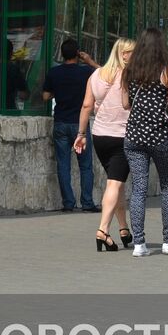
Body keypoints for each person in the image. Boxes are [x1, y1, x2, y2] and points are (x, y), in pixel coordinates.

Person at [122, 28, 168, 256]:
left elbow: (125, 105)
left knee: (138, 189)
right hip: (159, 136)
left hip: (133, 137)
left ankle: (139, 244)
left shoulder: (129, 72)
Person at [74, 38, 136, 252]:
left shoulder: (96, 75)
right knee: (114, 183)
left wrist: (81, 134)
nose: (135, 56)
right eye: (132, 52)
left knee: (116, 181)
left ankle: (123, 228)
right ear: (123, 54)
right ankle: (102, 230)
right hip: (122, 135)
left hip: (99, 135)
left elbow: (86, 106)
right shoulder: (128, 75)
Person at [42, 39, 100, 212]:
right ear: (77, 54)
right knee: (85, 165)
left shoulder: (54, 72)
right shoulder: (86, 72)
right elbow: (105, 74)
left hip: (60, 122)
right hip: (79, 124)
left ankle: (68, 203)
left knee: (63, 164)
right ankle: (87, 202)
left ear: (61, 54)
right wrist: (89, 60)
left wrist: (59, 92)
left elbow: (45, 97)